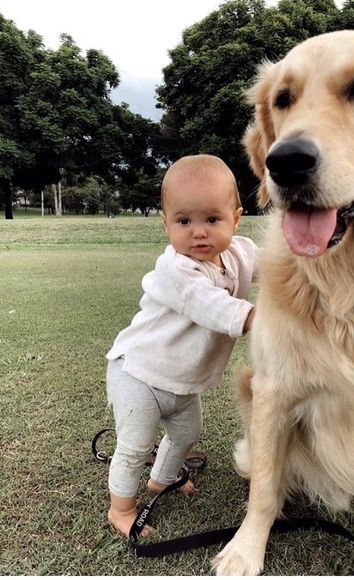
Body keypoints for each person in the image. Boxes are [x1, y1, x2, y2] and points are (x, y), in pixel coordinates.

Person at [106, 154, 258, 538]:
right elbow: (210, 305)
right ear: (166, 223)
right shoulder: (175, 269)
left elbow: (279, 265)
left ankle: (163, 479)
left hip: (183, 381)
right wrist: (257, 317)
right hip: (138, 373)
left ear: (236, 218)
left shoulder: (241, 253)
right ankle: (121, 509)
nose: (199, 233)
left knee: (188, 432)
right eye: (184, 221)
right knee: (134, 447)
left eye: (212, 219)